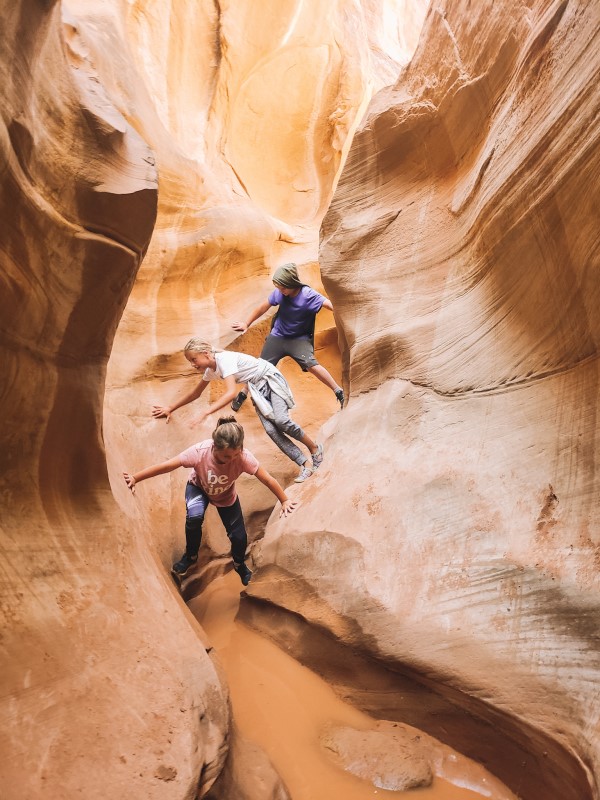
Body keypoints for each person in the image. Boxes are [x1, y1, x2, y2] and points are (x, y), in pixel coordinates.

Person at [123, 416, 298, 582]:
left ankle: (239, 564)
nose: (232, 460)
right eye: (227, 456)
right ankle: (190, 556)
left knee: (239, 537)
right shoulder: (200, 452)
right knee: (194, 517)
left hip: (226, 496)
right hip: (198, 488)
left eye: (236, 455)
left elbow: (266, 478)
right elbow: (168, 466)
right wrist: (135, 478)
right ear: (215, 447)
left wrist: (284, 500)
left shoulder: (243, 457)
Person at [152, 338, 324, 483]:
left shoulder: (223, 360)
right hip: (256, 388)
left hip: (269, 379)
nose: (192, 365)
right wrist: (170, 408)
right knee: (272, 430)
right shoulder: (210, 371)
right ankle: (305, 464)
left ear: (205, 354)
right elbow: (195, 394)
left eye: (193, 360)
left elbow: (230, 393)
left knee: (281, 421)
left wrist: (206, 412)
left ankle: (315, 449)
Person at [230, 263, 344, 412]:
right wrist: (246, 323)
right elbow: (263, 306)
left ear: (292, 283)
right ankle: (243, 393)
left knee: (311, 364)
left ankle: (338, 391)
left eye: (283, 287)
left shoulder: (308, 294)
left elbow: (329, 304)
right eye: (278, 287)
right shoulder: (280, 293)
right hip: (278, 337)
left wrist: (343, 311)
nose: (280, 291)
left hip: (299, 339)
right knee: (260, 367)